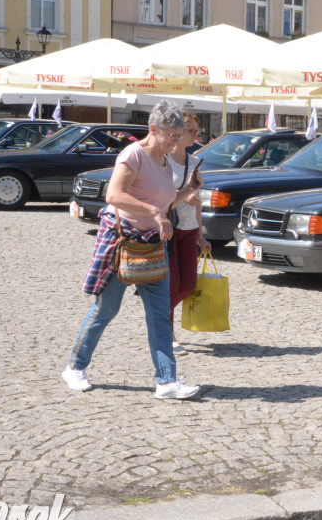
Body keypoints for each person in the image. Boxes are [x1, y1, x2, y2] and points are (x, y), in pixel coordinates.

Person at [63, 101, 201, 400]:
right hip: (121, 242)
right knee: (106, 309)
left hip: (153, 244)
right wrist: (154, 210)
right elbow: (113, 194)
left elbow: (164, 203)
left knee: (160, 314)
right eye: (172, 135)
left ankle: (166, 382)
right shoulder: (133, 154)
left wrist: (185, 193)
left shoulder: (165, 161)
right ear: (153, 129)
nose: (176, 142)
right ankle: (75, 367)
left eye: (181, 135)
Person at [168, 112, 211, 356]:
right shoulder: (163, 160)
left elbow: (198, 201)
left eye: (196, 130)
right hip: (168, 230)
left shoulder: (195, 161)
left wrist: (200, 234)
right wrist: (184, 193)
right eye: (191, 130)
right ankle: (168, 333)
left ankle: (158, 316)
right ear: (177, 132)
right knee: (173, 286)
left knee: (188, 285)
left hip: (188, 228)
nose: (196, 134)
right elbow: (160, 196)